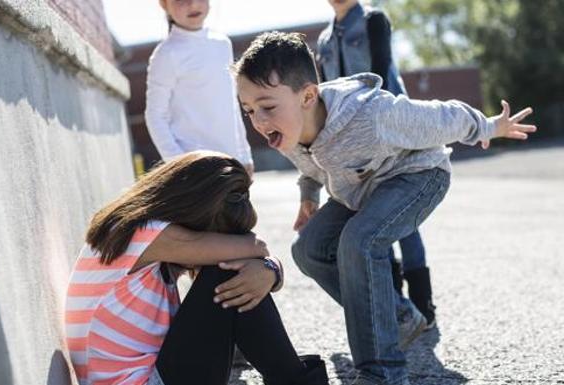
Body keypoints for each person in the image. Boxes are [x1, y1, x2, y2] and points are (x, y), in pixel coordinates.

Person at [233, 32, 536, 385]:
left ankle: (383, 372)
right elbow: (311, 166)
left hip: (419, 176)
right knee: (308, 250)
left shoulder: (371, 114)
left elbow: (441, 117)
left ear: (308, 96)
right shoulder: (287, 128)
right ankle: (398, 316)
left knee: (359, 241)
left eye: (267, 107)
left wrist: (488, 126)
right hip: (361, 189)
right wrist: (308, 198)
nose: (258, 121)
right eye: (249, 110)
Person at [65, 151, 329, 385]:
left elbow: (258, 254)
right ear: (193, 213)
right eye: (217, 237)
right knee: (228, 272)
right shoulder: (145, 234)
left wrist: (270, 271)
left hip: (152, 375)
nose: (213, 250)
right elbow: (256, 246)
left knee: (234, 272)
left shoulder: (137, 234)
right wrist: (267, 267)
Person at [317, 0, 436, 328]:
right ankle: (396, 303)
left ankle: (423, 303)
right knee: (373, 217)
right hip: (349, 144)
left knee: (402, 217)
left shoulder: (374, 20)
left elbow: (382, 74)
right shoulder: (324, 41)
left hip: (390, 130)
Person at [145, 0, 254, 175]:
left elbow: (231, 105)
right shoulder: (166, 54)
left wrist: (245, 155)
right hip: (197, 170)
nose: (193, 4)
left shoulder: (222, 44)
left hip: (232, 163)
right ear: (164, 5)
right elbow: (155, 115)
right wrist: (180, 165)